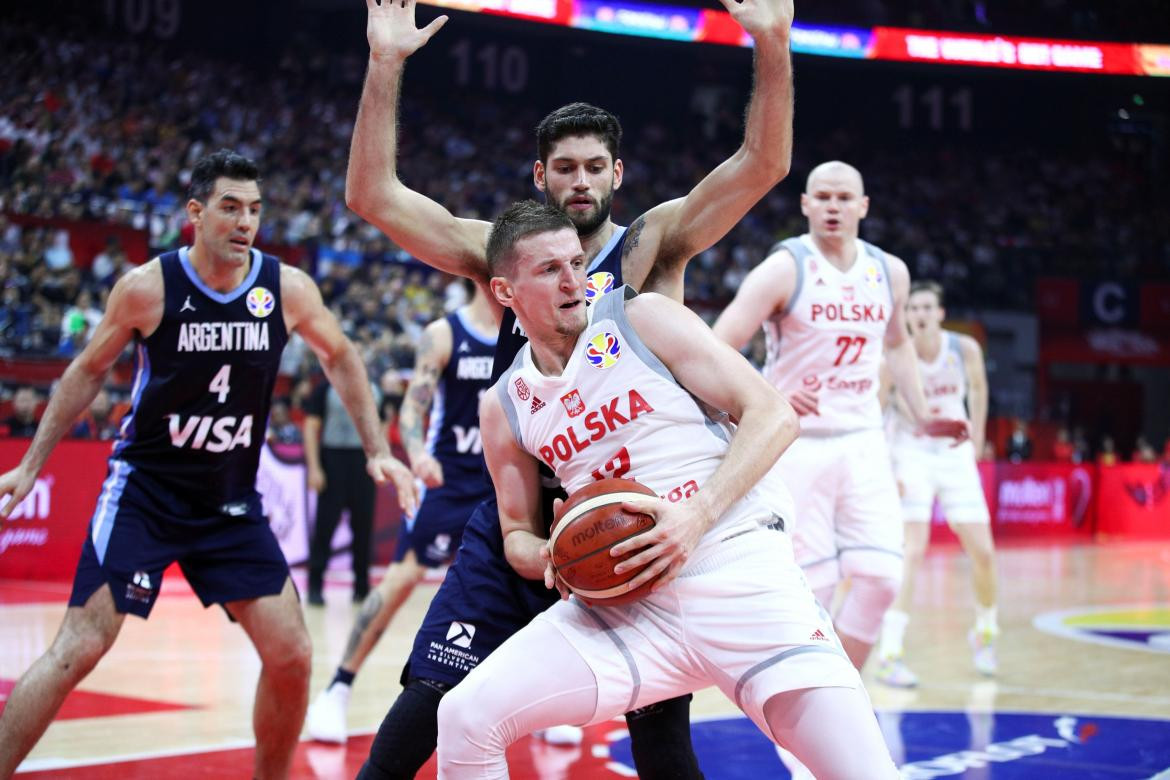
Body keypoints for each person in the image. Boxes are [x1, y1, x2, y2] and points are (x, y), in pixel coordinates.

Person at [346, 0, 796, 774]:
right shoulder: (502, 250)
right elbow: (374, 199)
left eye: (595, 167)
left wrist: (772, 41)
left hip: (627, 509)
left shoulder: (653, 244)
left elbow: (762, 165)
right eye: (565, 168)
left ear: (618, 173)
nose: (581, 182)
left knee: (658, 739)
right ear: (540, 175)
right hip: (522, 508)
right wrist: (386, 63)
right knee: (431, 696)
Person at [435, 200, 898, 778]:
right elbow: (515, 535)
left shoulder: (643, 319)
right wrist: (550, 555)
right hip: (627, 607)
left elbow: (772, 414)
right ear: (506, 292)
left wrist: (694, 517)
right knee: (462, 717)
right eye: (550, 270)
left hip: (734, 570)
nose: (574, 281)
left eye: (577, 263)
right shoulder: (504, 406)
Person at [0, 149, 416, 780]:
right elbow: (86, 373)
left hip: (229, 503)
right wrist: (32, 464)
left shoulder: (286, 289)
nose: (245, 221)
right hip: (146, 493)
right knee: (77, 650)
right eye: (229, 207)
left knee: (293, 654)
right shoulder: (148, 288)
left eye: (254, 209)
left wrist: (378, 449)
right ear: (195, 213)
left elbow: (341, 357)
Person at [712, 161, 968, 672]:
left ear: (863, 206)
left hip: (864, 439)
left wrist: (922, 415)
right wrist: (769, 393)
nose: (834, 206)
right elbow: (715, 346)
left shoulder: (889, 270)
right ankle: (808, 713)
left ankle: (842, 691)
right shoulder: (785, 268)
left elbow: (896, 346)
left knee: (881, 579)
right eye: (823, 197)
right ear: (805, 204)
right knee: (814, 591)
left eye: (844, 198)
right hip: (795, 445)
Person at [307, 283, 497, 743]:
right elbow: (415, 406)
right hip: (447, 479)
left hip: (503, 480)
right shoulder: (445, 333)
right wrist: (416, 453)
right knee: (398, 581)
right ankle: (338, 688)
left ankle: (554, 705)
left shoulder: (530, 331)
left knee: (536, 584)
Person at [875, 280, 999, 686]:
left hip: (955, 452)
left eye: (927, 307)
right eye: (912, 309)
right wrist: (885, 467)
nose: (920, 315)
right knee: (912, 551)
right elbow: (875, 411)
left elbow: (979, 389)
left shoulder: (964, 350)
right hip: (909, 451)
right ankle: (890, 652)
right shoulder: (893, 355)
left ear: (941, 313)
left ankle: (985, 632)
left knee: (982, 552)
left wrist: (977, 437)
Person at [303, 372, 388, 605]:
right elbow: (311, 427)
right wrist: (314, 468)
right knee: (324, 528)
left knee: (363, 529)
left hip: (364, 462)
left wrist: (384, 458)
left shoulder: (373, 389)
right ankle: (315, 587)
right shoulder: (324, 389)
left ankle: (362, 588)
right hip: (333, 462)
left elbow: (381, 425)